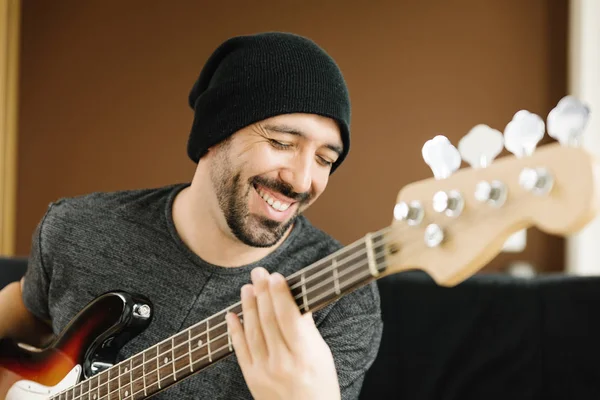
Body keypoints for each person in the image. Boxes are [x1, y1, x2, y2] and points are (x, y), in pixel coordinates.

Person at [0, 31, 383, 399]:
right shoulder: (76, 228)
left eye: (324, 159)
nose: (302, 181)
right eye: (282, 143)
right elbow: (27, 314)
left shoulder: (343, 300)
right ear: (216, 133)